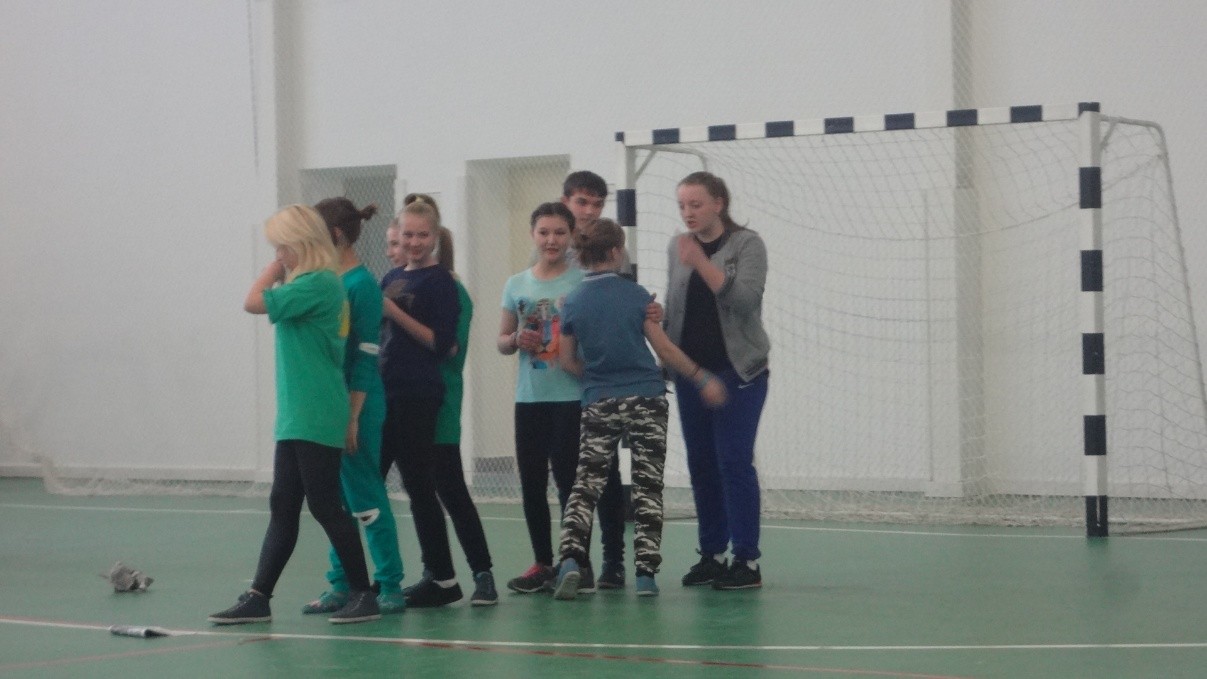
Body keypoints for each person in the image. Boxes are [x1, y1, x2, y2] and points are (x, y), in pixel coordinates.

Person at [209, 205, 380, 625]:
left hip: (315, 411)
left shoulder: (317, 284)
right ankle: (259, 596)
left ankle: (363, 592)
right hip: (298, 412)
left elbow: (252, 302)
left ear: (299, 245)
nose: (278, 255)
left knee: (325, 505)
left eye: (281, 248)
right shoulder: (315, 283)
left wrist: (270, 271)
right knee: (284, 504)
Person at [552, 219, 726, 600]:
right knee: (647, 485)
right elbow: (664, 349)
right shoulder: (637, 297)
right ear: (616, 252)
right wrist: (700, 377)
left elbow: (566, 360)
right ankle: (645, 573)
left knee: (587, 483)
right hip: (646, 398)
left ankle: (570, 558)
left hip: (598, 399)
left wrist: (595, 377)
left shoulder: (573, 302)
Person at [380, 195, 496, 608]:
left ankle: (478, 573)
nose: (403, 246)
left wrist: (395, 314)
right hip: (395, 396)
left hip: (433, 403)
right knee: (414, 487)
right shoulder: (392, 279)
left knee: (447, 490)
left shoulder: (447, 287)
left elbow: (448, 349)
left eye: (417, 236)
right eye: (400, 238)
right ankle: (433, 574)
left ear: (433, 237)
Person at [296, 198, 406, 616]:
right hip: (331, 403)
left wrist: (353, 417)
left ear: (336, 236)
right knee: (336, 498)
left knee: (365, 495)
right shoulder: (326, 280)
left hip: (358, 406)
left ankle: (389, 583)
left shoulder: (361, 286)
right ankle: (340, 583)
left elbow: (365, 357)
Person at [665, 171, 771, 590]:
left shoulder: (747, 244)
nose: (688, 213)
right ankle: (712, 553)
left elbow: (744, 301)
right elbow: (677, 305)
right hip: (692, 374)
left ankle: (746, 560)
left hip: (739, 372)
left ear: (718, 204)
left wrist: (701, 263)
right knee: (702, 462)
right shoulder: (678, 247)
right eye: (682, 206)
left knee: (733, 460)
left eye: (696, 204)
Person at [497, 202, 595, 594]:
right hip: (530, 398)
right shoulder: (516, 284)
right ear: (533, 235)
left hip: (571, 398)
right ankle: (542, 562)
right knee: (532, 482)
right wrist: (515, 339)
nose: (551, 240)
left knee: (571, 482)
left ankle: (577, 562)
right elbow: (501, 341)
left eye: (559, 232)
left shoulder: (583, 283)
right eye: (544, 232)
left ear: (571, 236)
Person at [558, 170, 629, 589]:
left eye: (597, 204)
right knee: (571, 477)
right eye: (582, 202)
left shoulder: (614, 253)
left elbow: (625, 304)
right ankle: (574, 560)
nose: (589, 210)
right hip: (561, 381)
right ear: (565, 201)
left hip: (601, 381)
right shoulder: (552, 248)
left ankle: (614, 560)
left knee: (607, 472)